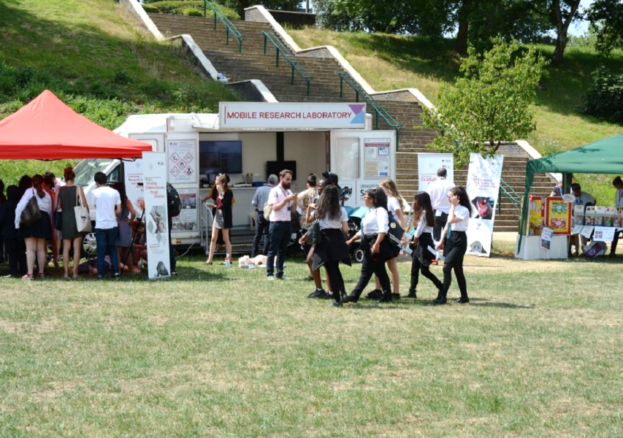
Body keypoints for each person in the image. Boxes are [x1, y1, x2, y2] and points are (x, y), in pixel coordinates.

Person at [343, 188, 393, 303]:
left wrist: (376, 244)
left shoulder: (380, 211)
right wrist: (351, 240)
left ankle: (354, 296)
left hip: (376, 243)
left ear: (372, 199)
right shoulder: (370, 211)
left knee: (366, 271)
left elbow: (383, 229)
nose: (364, 199)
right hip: (369, 242)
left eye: (365, 197)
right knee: (380, 271)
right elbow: (365, 230)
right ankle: (388, 296)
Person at [309, 185, 351, 307]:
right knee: (335, 268)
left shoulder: (320, 209)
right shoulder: (341, 210)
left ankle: (337, 299)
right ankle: (341, 294)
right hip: (337, 238)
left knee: (330, 270)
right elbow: (346, 229)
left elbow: (309, 220)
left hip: (324, 239)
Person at [434, 186, 472, 304]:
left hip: (459, 240)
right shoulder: (452, 208)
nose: (448, 199)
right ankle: (464, 297)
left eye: (450, 197)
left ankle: (443, 296)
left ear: (457, 197)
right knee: (458, 269)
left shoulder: (463, 210)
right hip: (450, 238)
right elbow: (447, 225)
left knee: (447, 267)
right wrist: (441, 240)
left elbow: (451, 220)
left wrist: (453, 207)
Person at [370, 178, 407, 300]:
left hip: (391, 236)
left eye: (381, 188)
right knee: (378, 263)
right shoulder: (384, 201)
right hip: (385, 235)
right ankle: (378, 289)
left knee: (391, 265)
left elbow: (401, 217)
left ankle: (395, 292)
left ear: (388, 188)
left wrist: (401, 234)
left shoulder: (392, 200)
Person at [405, 191, 443, 299]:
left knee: (424, 270)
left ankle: (441, 286)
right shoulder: (422, 212)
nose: (415, 202)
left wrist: (415, 240)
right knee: (414, 268)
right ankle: (412, 291)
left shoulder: (425, 212)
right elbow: (416, 230)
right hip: (419, 241)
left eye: (416, 199)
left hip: (424, 242)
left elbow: (420, 229)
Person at [15, 174, 53, 279]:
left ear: (32, 182)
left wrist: (17, 222)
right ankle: (41, 273)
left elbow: (20, 207)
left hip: (31, 220)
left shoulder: (29, 191)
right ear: (42, 183)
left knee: (30, 249)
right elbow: (50, 211)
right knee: (41, 249)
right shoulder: (47, 195)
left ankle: (30, 273)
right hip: (44, 220)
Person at [302, 178, 333, 298]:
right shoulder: (319, 200)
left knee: (327, 264)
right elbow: (313, 221)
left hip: (328, 236)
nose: (318, 188)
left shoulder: (331, 202)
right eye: (318, 186)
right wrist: (306, 235)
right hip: (318, 236)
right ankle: (319, 289)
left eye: (321, 186)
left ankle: (331, 291)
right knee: (310, 259)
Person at [56, 166, 89, 279]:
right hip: (76, 219)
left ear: (65, 178)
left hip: (65, 218)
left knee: (66, 248)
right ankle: (75, 273)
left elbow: (57, 206)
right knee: (77, 248)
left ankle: (65, 273)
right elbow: (85, 206)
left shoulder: (59, 190)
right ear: (74, 178)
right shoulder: (78, 189)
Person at [266, 169, 297, 280]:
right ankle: (270, 273)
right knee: (272, 249)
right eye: (287, 179)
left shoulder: (289, 192)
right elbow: (274, 207)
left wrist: (295, 200)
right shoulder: (274, 191)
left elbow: (293, 210)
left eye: (290, 180)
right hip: (276, 223)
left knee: (282, 250)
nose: (289, 182)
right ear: (281, 178)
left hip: (287, 223)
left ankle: (280, 272)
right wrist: (285, 200)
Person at [92, 172, 121, 279]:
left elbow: (95, 205)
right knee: (112, 248)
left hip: (100, 224)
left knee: (101, 250)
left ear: (96, 182)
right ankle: (116, 272)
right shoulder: (115, 192)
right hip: (112, 223)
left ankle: (100, 273)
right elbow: (118, 210)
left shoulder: (94, 192)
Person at [204, 174, 233, 265]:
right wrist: (214, 206)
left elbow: (226, 204)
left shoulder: (229, 192)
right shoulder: (216, 192)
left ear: (223, 183)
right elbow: (219, 204)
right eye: (216, 183)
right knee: (213, 238)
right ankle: (210, 259)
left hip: (225, 217)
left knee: (225, 239)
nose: (216, 185)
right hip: (217, 215)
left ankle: (228, 259)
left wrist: (221, 194)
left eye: (217, 183)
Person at [0, 185, 26, 277]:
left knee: (11, 253)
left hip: (8, 232)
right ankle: (23, 270)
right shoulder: (21, 203)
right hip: (20, 231)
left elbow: (1, 218)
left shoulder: (5, 205)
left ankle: (13, 271)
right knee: (21, 252)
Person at [250, 174, 278, 257]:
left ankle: (254, 253)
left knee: (257, 235)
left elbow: (253, 202)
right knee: (268, 235)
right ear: (276, 182)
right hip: (270, 215)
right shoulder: (275, 190)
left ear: (267, 180)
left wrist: (258, 206)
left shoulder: (259, 189)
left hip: (260, 214)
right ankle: (265, 254)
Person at [113, 182, 138, 274]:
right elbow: (133, 213)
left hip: (115, 223)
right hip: (124, 224)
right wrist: (131, 221)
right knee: (127, 249)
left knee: (117, 249)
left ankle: (118, 270)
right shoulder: (126, 200)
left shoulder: (114, 200)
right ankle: (131, 270)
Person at [426, 167, 455, 242]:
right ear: (446, 175)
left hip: (436, 212)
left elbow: (428, 198)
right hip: (449, 213)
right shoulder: (451, 185)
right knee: (448, 235)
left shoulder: (432, 185)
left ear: (437, 174)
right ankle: (446, 251)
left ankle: (437, 252)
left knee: (436, 236)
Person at [43, 173, 60, 268]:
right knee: (55, 241)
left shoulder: (42, 192)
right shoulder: (52, 193)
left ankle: (45, 260)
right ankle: (56, 259)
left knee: (44, 241)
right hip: (53, 218)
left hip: (45, 219)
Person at [609, 176, 623, 257]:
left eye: (616, 186)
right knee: (615, 233)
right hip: (618, 213)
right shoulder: (617, 191)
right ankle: (612, 251)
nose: (616, 188)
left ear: (620, 184)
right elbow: (616, 202)